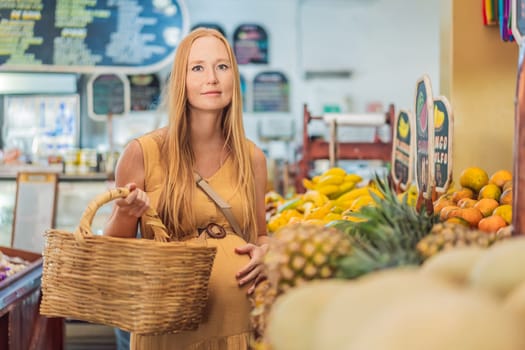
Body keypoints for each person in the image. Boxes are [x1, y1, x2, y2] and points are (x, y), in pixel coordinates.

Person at [103, 27, 269, 349]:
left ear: (234, 77)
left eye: (222, 67)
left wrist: (267, 252)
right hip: (168, 331)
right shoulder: (142, 152)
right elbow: (114, 251)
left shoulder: (253, 158)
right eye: (198, 68)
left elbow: (259, 235)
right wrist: (126, 213)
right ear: (181, 80)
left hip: (237, 328)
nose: (212, 78)